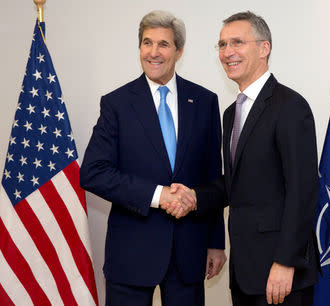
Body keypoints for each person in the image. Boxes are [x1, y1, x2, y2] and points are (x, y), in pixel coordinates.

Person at [165, 11, 320, 306]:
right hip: (245, 273)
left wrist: (286, 262)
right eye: (222, 45)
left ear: (264, 48)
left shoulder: (290, 106)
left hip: (280, 274)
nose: (227, 52)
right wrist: (194, 196)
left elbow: (303, 191)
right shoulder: (231, 113)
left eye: (237, 42)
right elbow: (237, 184)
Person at [80, 10, 226, 306]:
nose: (154, 52)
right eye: (147, 43)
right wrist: (159, 196)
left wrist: (215, 243)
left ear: (179, 51)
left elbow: (213, 179)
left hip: (189, 252)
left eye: (163, 44)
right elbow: (93, 172)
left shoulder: (205, 101)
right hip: (131, 255)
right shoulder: (116, 104)